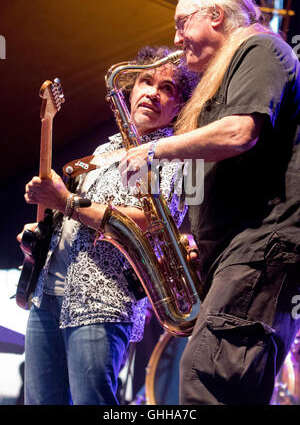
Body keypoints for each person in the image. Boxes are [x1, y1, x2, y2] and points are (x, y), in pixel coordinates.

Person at [120, 0, 300, 405]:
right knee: (223, 382)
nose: (176, 37)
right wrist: (191, 238)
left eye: (183, 23)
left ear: (216, 16)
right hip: (235, 253)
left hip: (263, 243)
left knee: (206, 377)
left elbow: (240, 133)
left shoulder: (260, 48)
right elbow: (202, 173)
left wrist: (155, 151)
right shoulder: (213, 85)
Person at [17, 45, 198, 405]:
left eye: (168, 90)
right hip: (47, 296)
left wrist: (65, 201)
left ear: (179, 107)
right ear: (129, 90)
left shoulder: (173, 155)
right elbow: (70, 219)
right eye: (146, 81)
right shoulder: (101, 153)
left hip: (102, 302)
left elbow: (151, 223)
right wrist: (38, 236)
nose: (153, 93)